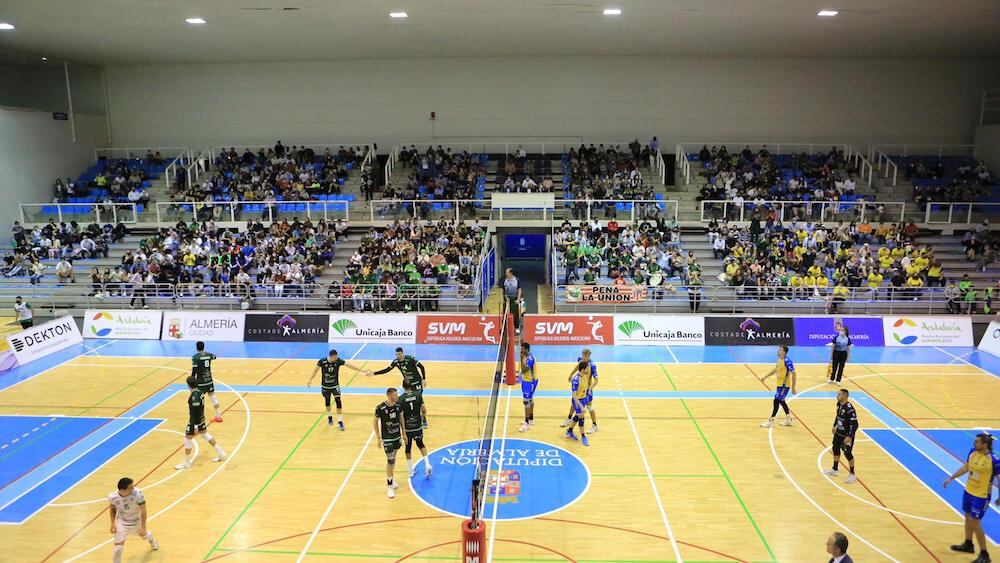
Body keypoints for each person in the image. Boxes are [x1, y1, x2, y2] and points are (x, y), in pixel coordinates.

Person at [943, 432, 1000, 563]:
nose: (974, 444)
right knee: (968, 517)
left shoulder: (994, 460)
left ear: (985, 444)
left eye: (977, 442)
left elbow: (999, 478)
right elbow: (966, 467)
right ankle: (968, 544)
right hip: (969, 491)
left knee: (975, 521)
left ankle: (985, 555)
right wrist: (951, 478)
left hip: (981, 496)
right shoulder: (972, 452)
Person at [307, 349, 370, 429]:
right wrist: (310, 379)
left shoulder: (338, 361)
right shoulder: (322, 361)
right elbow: (315, 370)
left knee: (338, 401)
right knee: (327, 402)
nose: (336, 358)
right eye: (334, 357)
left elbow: (349, 365)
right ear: (330, 356)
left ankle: (340, 421)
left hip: (335, 386)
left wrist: (362, 370)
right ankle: (330, 416)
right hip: (325, 386)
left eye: (336, 357)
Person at [174, 376, 226, 470]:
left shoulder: (194, 397)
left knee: (187, 439)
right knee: (205, 435)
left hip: (195, 421)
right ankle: (221, 453)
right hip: (201, 419)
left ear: (188, 385)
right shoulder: (199, 392)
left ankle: (186, 463)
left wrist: (195, 426)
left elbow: (195, 412)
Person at [372, 347, 428, 428]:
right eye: (396, 354)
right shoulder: (396, 362)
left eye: (399, 354)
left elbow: (422, 367)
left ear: (402, 353)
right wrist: (374, 373)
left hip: (417, 383)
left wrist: (424, 379)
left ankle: (423, 419)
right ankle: (409, 418)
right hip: (407, 384)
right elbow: (387, 370)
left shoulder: (411, 359)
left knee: (418, 402)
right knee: (407, 401)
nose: (397, 356)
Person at [108, 477, 158, 563]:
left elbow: (143, 510)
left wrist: (143, 526)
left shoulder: (138, 493)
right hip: (122, 523)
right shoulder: (112, 497)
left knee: (144, 536)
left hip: (136, 522)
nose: (133, 488)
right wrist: (112, 523)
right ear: (123, 490)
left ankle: (152, 540)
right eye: (130, 487)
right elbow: (112, 509)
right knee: (118, 549)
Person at [374, 387, 406, 498]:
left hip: (397, 436)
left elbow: (401, 419)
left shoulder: (398, 406)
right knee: (390, 460)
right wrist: (378, 437)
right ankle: (389, 486)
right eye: (395, 395)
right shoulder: (381, 408)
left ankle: (392, 478)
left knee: (393, 459)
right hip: (387, 438)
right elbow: (375, 421)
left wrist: (404, 433)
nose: (397, 396)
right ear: (389, 395)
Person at [823, 389, 859, 484]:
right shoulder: (839, 405)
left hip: (846, 436)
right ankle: (835, 469)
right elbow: (837, 416)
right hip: (838, 433)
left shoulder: (849, 409)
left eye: (839, 394)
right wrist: (835, 425)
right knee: (835, 449)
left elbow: (855, 424)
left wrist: (850, 436)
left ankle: (852, 474)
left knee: (847, 454)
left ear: (844, 396)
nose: (837, 396)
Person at [559, 348, 599, 434]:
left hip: (587, 389)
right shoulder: (581, 360)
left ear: (589, 355)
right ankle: (569, 419)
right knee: (574, 403)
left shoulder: (592, 365)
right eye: (583, 355)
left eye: (585, 355)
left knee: (589, 407)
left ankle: (595, 425)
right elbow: (577, 367)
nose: (583, 357)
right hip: (580, 388)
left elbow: (596, 380)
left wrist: (590, 388)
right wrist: (571, 374)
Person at [400, 381, 432, 479]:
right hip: (417, 425)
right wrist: (422, 418)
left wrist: (403, 431)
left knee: (408, 448)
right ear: (411, 386)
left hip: (408, 427)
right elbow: (424, 410)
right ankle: (427, 465)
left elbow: (400, 415)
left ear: (403, 386)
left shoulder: (401, 398)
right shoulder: (418, 395)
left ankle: (410, 470)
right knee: (421, 444)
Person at [760, 345, 797, 428]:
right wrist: (765, 377)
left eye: (780, 350)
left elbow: (794, 374)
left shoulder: (788, 361)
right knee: (781, 401)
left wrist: (793, 387)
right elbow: (775, 369)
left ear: (784, 352)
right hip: (779, 384)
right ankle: (789, 419)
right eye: (778, 350)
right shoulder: (779, 360)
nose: (778, 351)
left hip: (784, 385)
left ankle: (771, 421)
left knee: (776, 400)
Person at [191, 341, 223, 423]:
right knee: (213, 397)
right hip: (209, 380)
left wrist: (192, 379)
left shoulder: (195, 357)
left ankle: (200, 419)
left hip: (200, 382)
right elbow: (214, 357)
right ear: (203, 347)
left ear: (196, 348)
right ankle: (219, 416)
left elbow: (194, 371)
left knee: (199, 400)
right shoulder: (209, 355)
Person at [565, 361, 591, 447]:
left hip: (582, 399)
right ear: (583, 369)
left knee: (578, 415)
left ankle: (569, 431)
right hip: (577, 401)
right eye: (587, 368)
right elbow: (574, 395)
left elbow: (585, 389)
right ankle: (583, 436)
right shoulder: (576, 380)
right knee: (581, 416)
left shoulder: (584, 376)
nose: (588, 369)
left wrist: (586, 398)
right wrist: (580, 406)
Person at [518, 342, 538, 432]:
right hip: (526, 381)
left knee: (526, 402)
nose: (521, 350)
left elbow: (524, 369)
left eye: (522, 349)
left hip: (530, 382)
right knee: (530, 400)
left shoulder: (530, 358)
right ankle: (531, 419)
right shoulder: (526, 356)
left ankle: (526, 424)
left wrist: (521, 359)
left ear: (526, 349)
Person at [503, 268, 522, 334]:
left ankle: (516, 327)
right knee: (506, 313)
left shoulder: (516, 280)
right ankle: (506, 328)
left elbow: (519, 289)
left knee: (515, 313)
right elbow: (503, 290)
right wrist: (505, 297)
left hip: (514, 298)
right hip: (507, 298)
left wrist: (518, 299)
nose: (506, 274)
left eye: (507, 272)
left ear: (511, 273)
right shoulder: (505, 280)